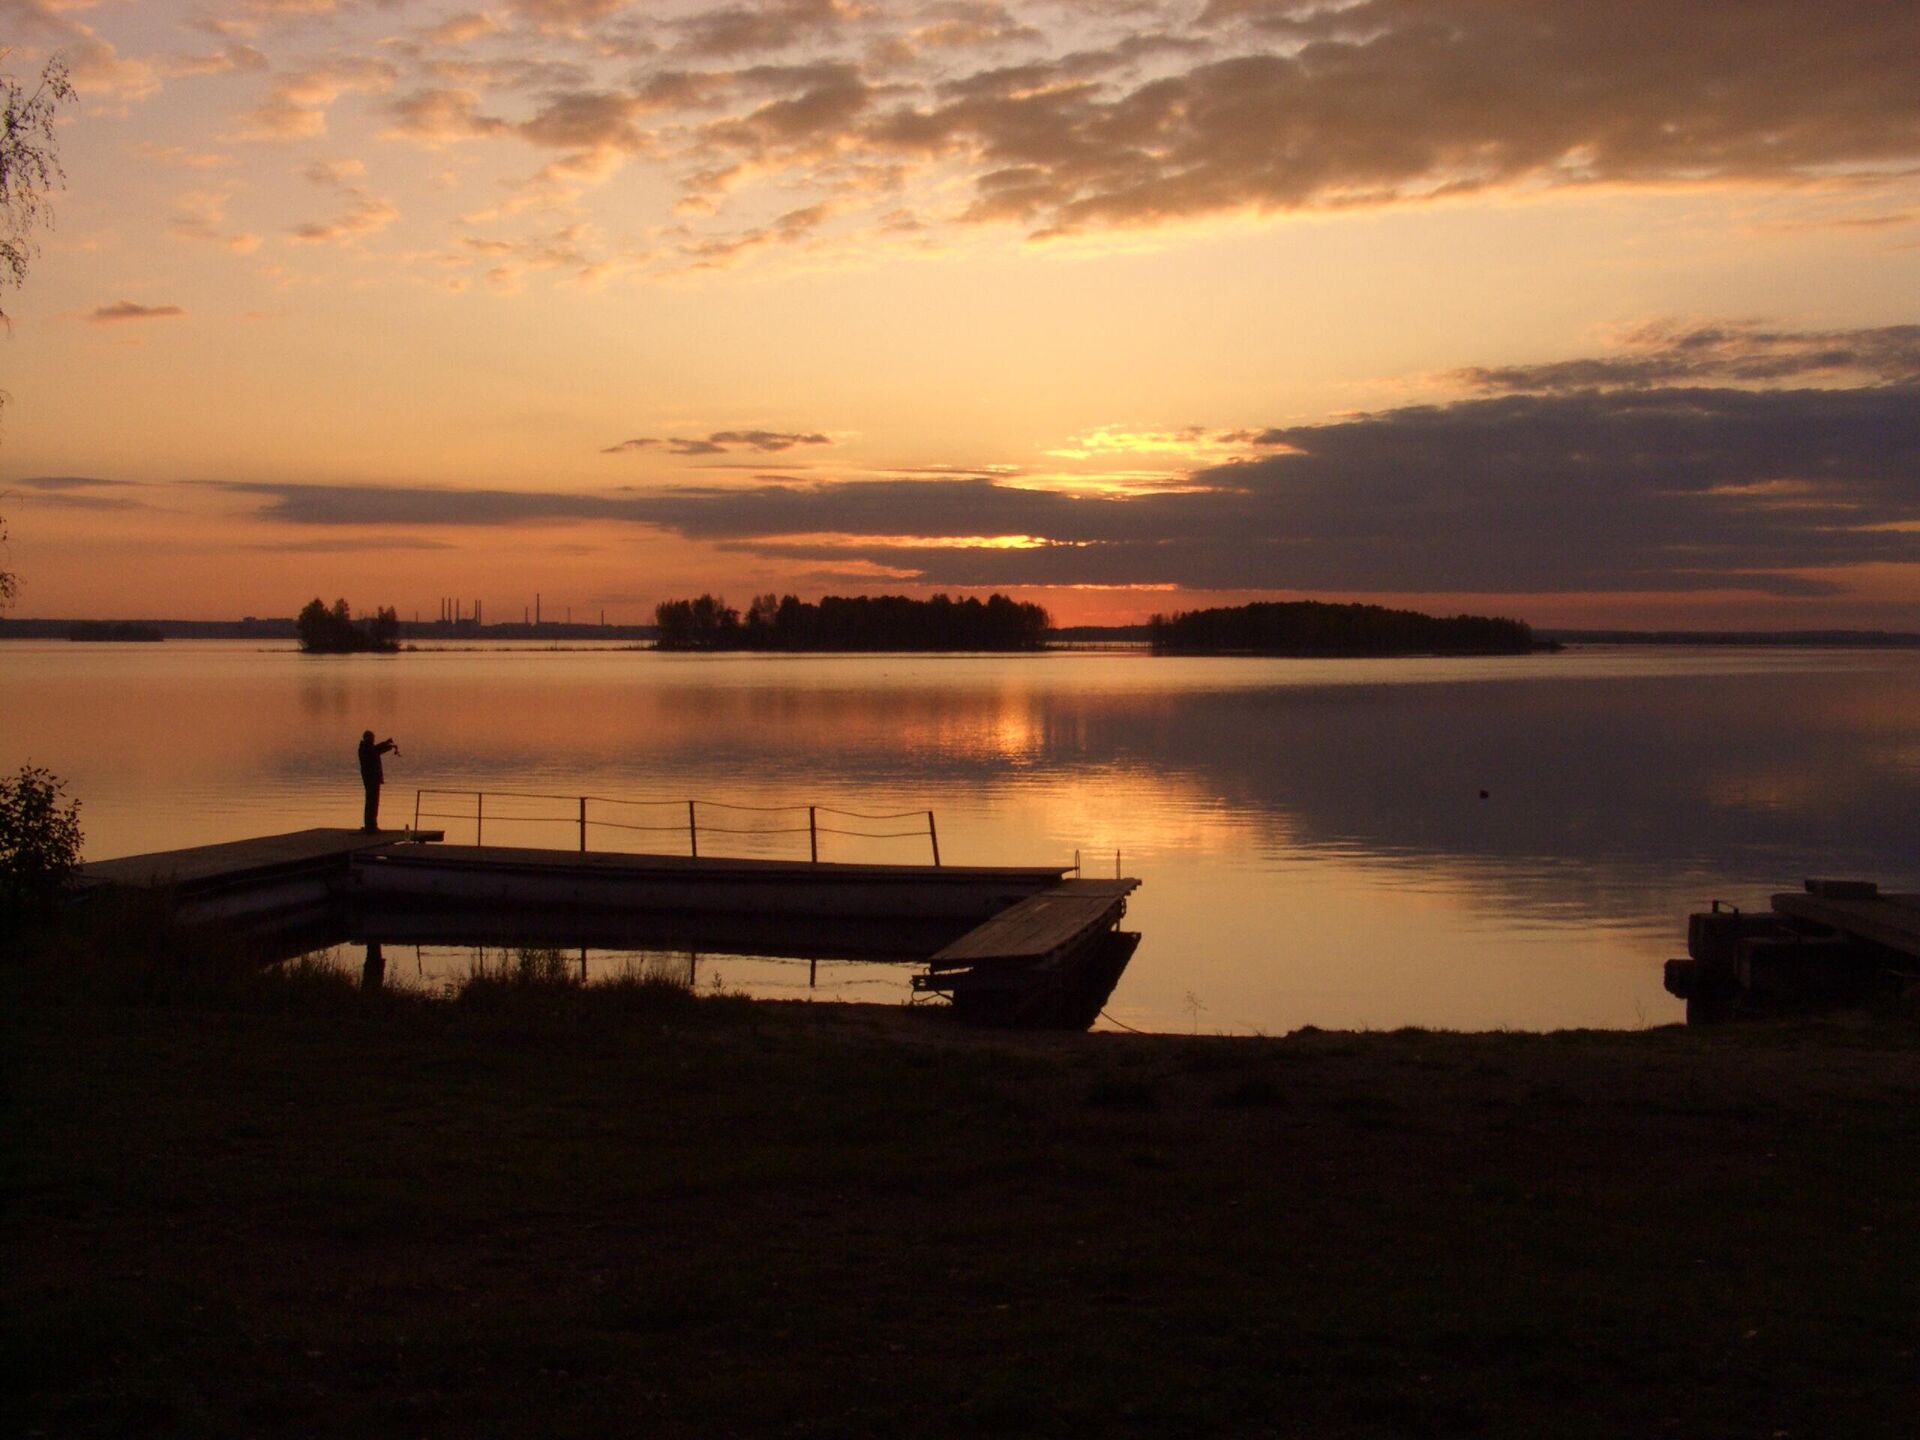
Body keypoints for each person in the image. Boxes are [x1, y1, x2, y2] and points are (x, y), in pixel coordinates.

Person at [358, 730, 398, 831]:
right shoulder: (366, 749)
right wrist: (388, 746)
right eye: (372, 738)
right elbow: (377, 750)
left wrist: (386, 742)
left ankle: (371, 825)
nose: (373, 740)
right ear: (369, 739)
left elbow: (376, 748)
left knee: (371, 802)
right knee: (372, 802)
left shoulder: (365, 747)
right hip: (371, 779)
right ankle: (371, 826)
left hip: (370, 779)